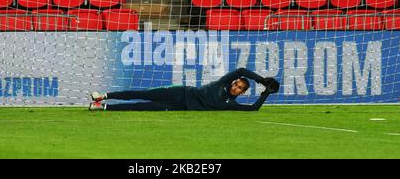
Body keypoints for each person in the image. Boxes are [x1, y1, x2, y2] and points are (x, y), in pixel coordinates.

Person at [88, 68, 279, 111]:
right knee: (142, 93)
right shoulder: (223, 82)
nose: (235, 87)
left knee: (142, 106)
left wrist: (265, 94)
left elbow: (253, 109)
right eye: (236, 83)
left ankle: (103, 107)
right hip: (180, 92)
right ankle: (103, 95)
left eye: (240, 88)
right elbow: (242, 70)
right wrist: (261, 80)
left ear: (242, 93)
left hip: (178, 106)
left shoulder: (230, 104)